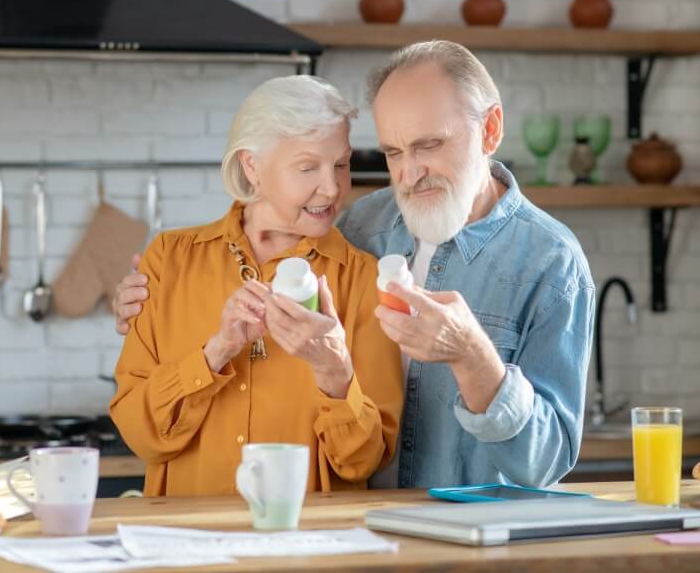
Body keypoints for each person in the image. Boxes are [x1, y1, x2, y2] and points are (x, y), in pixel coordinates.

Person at [114, 41, 594, 489]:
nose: (408, 172)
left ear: (489, 130)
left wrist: (472, 355)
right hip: (369, 538)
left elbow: (547, 460)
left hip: (472, 541)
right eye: (392, 152)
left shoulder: (552, 263)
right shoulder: (361, 226)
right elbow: (264, 242)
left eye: (428, 145)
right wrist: (153, 297)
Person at [109, 75, 402, 497]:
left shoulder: (361, 280)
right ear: (252, 166)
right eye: (307, 167)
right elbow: (140, 435)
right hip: (188, 546)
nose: (333, 186)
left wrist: (333, 373)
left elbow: (363, 462)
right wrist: (215, 354)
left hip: (307, 549)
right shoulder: (169, 259)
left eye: (341, 163)